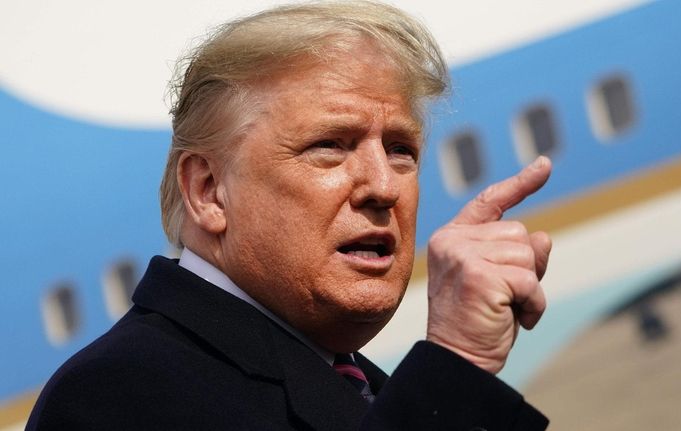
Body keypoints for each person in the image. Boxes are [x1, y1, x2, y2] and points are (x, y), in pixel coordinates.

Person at [27, 2, 553, 429]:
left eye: (401, 150)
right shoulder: (119, 395)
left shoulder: (356, 384)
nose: (383, 186)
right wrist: (455, 369)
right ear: (209, 191)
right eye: (330, 146)